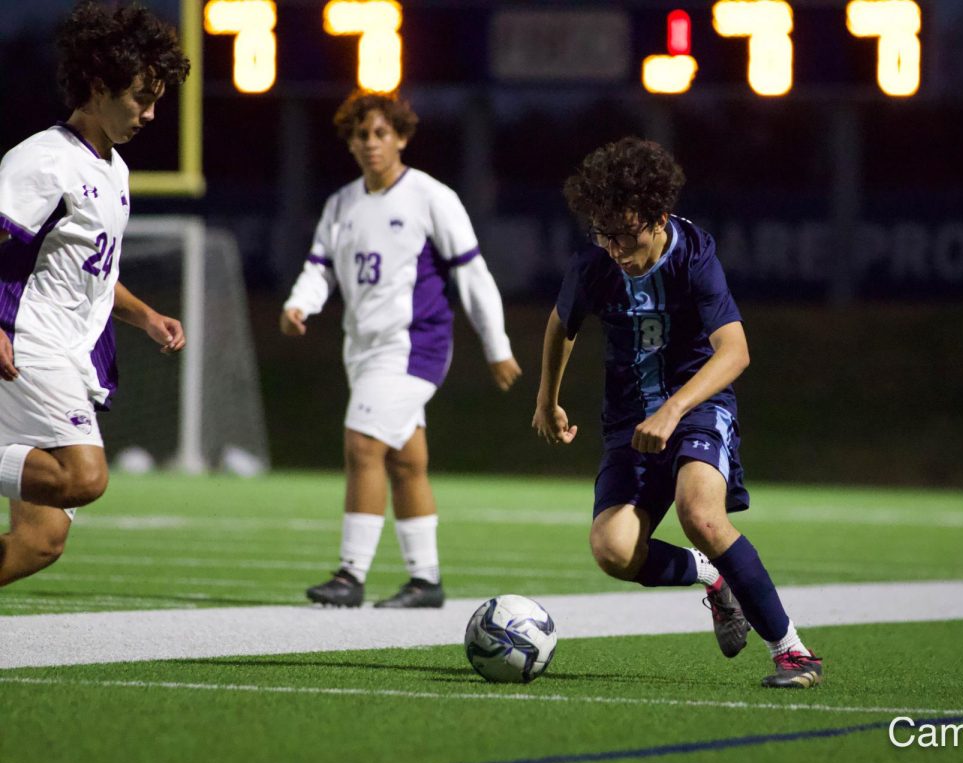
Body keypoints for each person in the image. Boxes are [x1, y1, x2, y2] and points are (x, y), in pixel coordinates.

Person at [532, 137, 822, 689]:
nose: (614, 245)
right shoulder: (594, 262)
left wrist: (673, 409)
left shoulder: (694, 254)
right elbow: (560, 324)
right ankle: (713, 576)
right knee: (613, 551)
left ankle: (793, 653)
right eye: (603, 232)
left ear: (658, 216)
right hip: (628, 423)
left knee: (702, 515)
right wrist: (547, 399)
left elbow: (734, 351)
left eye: (624, 232)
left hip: (696, 407)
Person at [283, 90, 521, 609]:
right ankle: (426, 580)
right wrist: (301, 303)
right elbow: (319, 269)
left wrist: (496, 345)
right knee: (407, 463)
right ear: (349, 141)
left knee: (362, 446)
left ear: (402, 138)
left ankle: (349, 575)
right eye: (361, 134)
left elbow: (473, 275)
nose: (371, 143)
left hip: (415, 346)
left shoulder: (432, 197)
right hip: (363, 348)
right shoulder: (341, 204)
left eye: (381, 133)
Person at [0, 1, 190, 587]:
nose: (152, 114)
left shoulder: (115, 171)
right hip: (32, 345)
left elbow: (94, 273)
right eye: (141, 97)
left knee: (39, 542)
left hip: (69, 352)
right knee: (85, 476)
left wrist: (146, 316)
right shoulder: (42, 161)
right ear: (98, 86)